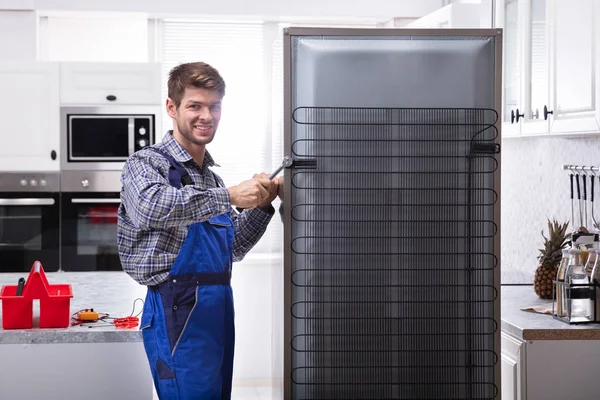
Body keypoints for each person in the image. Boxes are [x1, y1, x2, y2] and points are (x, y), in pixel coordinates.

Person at [117, 61, 281, 400]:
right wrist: (232, 196)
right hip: (175, 308)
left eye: (214, 106)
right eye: (195, 105)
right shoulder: (146, 163)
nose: (206, 115)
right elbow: (151, 207)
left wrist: (263, 204)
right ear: (171, 108)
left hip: (217, 308)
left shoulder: (212, 178)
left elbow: (232, 246)